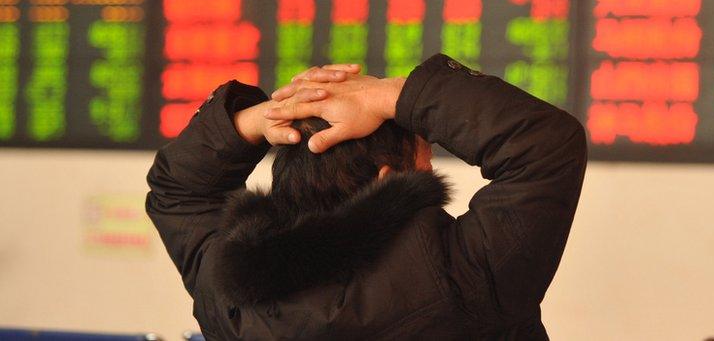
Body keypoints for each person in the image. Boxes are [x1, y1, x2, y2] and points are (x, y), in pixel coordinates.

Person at [146, 54, 587, 339]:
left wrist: (268, 115)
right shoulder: (464, 273)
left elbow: (178, 189)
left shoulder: (230, 292)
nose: (430, 172)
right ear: (386, 181)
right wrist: (391, 95)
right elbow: (546, 144)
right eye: (425, 164)